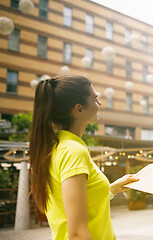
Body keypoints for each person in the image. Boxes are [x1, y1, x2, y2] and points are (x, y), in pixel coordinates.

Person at [29, 75, 138, 240]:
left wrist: (113, 188)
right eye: (95, 98)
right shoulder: (73, 151)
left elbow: (72, 202)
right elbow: (77, 234)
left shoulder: (55, 147)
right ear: (78, 108)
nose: (99, 104)